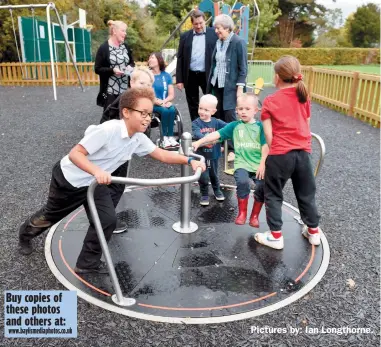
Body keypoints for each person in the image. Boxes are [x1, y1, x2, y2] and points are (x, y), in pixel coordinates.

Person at [18, 88, 206, 275]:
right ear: (126, 112)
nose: (148, 118)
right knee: (50, 215)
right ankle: (25, 234)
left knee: (106, 220)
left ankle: (87, 263)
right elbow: (76, 154)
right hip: (70, 180)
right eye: (143, 113)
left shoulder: (138, 138)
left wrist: (189, 160)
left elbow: (162, 155)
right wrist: (97, 171)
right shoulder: (108, 130)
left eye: (150, 114)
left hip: (95, 181)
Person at [255, 55, 321, 250]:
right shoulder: (304, 96)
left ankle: (275, 236)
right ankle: (313, 232)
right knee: (306, 193)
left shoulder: (270, 100)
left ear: (277, 77)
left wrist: (276, 152)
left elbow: (268, 135)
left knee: (273, 194)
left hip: (280, 154)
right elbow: (306, 126)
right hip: (303, 153)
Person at [193, 93, 268, 226]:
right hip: (242, 164)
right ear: (236, 110)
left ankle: (254, 216)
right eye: (240, 109)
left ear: (256, 110)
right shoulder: (234, 126)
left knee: (262, 186)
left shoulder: (260, 127)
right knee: (243, 182)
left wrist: (263, 164)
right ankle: (242, 213)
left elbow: (265, 146)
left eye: (247, 109)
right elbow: (215, 134)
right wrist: (199, 142)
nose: (243, 112)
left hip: (258, 164)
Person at [99, 67, 155, 234]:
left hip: (122, 149)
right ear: (132, 82)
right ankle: (105, 220)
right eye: (141, 83)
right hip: (114, 149)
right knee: (114, 186)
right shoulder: (126, 101)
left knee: (115, 185)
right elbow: (109, 120)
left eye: (148, 84)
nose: (145, 87)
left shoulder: (140, 102)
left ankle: (105, 220)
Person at [207, 14, 247, 162]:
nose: (216, 31)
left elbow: (243, 68)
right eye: (216, 28)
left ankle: (233, 149)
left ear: (227, 28)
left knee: (230, 116)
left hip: (230, 86)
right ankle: (222, 144)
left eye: (219, 28)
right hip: (217, 84)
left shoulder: (238, 42)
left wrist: (240, 88)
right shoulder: (219, 42)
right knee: (218, 115)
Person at [176, 10, 218, 122]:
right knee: (193, 104)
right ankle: (196, 128)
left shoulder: (214, 34)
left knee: (210, 102)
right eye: (196, 24)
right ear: (192, 23)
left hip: (207, 75)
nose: (199, 26)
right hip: (190, 75)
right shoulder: (185, 36)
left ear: (205, 21)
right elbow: (180, 58)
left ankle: (211, 127)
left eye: (201, 23)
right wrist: (179, 79)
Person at [192, 94, 227, 206]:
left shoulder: (217, 122)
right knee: (203, 176)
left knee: (214, 174)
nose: (202, 111)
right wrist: (210, 139)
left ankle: (217, 190)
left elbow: (228, 127)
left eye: (206, 110)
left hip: (214, 155)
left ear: (213, 111)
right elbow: (198, 134)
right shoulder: (196, 123)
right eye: (200, 108)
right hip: (201, 156)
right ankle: (204, 193)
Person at [95, 20, 135, 111]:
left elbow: (132, 62)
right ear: (114, 31)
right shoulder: (104, 48)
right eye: (123, 31)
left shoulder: (125, 46)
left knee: (125, 117)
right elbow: (97, 69)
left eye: (125, 31)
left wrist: (130, 67)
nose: (125, 33)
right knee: (109, 119)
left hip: (126, 89)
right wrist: (112, 70)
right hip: (111, 91)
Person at [149, 52, 179, 148]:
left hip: (164, 102)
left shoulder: (166, 76)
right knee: (166, 110)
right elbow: (149, 95)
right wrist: (160, 103)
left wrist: (165, 101)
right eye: (149, 58)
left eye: (152, 57)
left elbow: (171, 94)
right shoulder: (148, 76)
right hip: (152, 104)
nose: (150, 59)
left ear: (159, 60)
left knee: (172, 109)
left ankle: (170, 137)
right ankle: (164, 138)